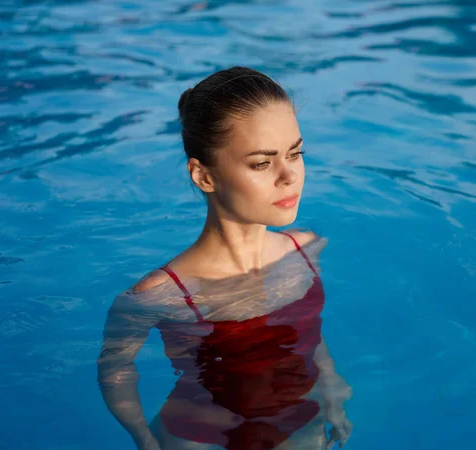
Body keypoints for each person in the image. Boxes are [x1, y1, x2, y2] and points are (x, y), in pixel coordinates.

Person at [97, 66, 353, 450]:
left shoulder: (305, 248)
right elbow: (115, 369)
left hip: (299, 423)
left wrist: (332, 391)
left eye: (295, 153)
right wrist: (143, 439)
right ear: (204, 176)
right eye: (261, 163)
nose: (289, 176)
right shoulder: (161, 294)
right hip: (201, 440)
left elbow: (309, 335)